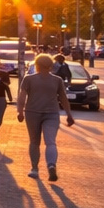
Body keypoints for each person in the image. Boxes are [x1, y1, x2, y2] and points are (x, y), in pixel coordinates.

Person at [17, 54, 75, 182]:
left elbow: (22, 97)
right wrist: (69, 115)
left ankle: (34, 169)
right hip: (52, 113)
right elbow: (63, 98)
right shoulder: (57, 80)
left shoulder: (29, 79)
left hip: (32, 113)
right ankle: (51, 165)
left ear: (37, 65)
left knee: (34, 142)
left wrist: (20, 112)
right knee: (50, 141)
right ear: (50, 66)